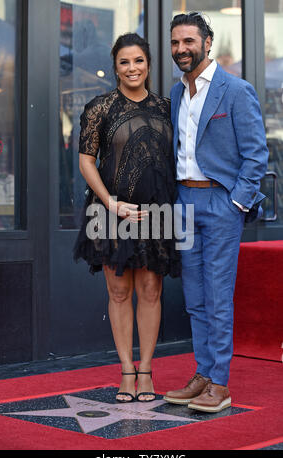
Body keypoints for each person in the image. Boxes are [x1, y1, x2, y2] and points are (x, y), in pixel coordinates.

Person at [164, 12, 269, 412]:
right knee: (194, 296)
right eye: (175, 43)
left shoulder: (235, 90)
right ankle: (203, 373)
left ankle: (220, 385)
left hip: (221, 203)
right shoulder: (176, 94)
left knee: (217, 294)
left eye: (189, 41)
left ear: (207, 42)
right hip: (185, 204)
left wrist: (237, 202)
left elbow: (256, 155)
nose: (181, 49)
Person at [73, 33, 180, 403]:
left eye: (138, 61)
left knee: (151, 290)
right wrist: (110, 202)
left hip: (157, 212)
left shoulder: (168, 107)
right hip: (110, 212)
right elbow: (87, 160)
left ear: (148, 64)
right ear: (115, 67)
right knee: (119, 293)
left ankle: (146, 372)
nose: (132, 68)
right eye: (124, 62)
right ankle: (125, 372)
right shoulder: (100, 107)